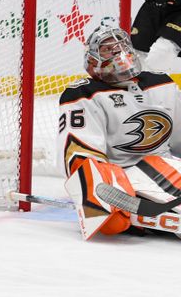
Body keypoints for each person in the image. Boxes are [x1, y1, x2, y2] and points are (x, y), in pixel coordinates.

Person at [58, 25, 181, 240]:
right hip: (122, 173)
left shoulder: (161, 82)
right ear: (93, 59)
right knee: (113, 222)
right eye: (108, 50)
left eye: (121, 46)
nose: (119, 54)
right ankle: (120, 201)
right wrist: (98, 190)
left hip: (164, 166)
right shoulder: (83, 93)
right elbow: (80, 153)